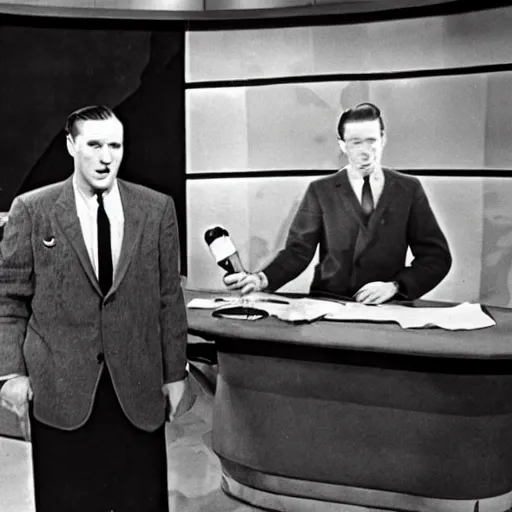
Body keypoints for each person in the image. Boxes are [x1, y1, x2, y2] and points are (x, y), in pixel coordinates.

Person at [0, 105, 193, 512]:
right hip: (60, 388)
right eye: (94, 145)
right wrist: (11, 374)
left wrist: (176, 373)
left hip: (136, 389)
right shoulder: (31, 210)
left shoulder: (157, 209)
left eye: (115, 145)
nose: (107, 157)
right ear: (72, 146)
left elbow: (168, 299)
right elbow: (9, 299)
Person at [225, 102, 452, 304]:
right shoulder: (320, 191)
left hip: (388, 308)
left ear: (383, 139)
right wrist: (261, 279)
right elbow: (298, 252)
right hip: (328, 305)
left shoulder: (408, 189)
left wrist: (396, 286)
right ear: (342, 145)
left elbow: (436, 257)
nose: (365, 152)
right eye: (355, 143)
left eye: (372, 141)